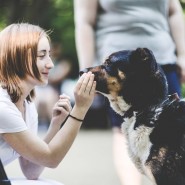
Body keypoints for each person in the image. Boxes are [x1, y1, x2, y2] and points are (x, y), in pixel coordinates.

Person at [74, 0, 185, 184]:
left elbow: (174, 12)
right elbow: (85, 22)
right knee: (123, 130)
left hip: (163, 61)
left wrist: (183, 55)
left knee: (175, 133)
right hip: (116, 67)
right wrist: (87, 72)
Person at [0, 23, 96, 185]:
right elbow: (51, 159)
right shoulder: (2, 106)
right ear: (18, 57)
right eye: (42, 55)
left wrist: (55, 125)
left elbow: (31, 171)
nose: (50, 64)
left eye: (49, 55)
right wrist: (80, 109)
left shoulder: (28, 106)